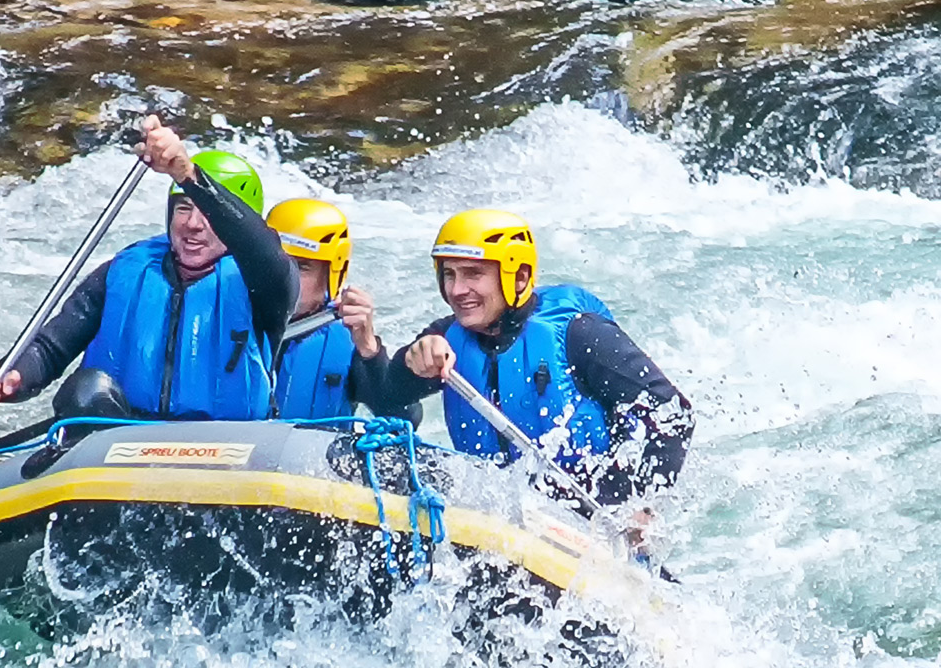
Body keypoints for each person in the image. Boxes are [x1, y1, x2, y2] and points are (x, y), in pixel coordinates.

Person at [0, 115, 298, 420]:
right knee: (86, 389)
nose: (194, 224)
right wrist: (12, 377)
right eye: (183, 208)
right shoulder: (124, 272)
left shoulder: (265, 284)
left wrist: (188, 176)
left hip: (225, 448)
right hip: (121, 444)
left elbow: (262, 249)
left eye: (208, 214)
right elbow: (51, 348)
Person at [380, 209, 694, 522]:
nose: (458, 290)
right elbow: (388, 396)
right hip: (500, 516)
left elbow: (673, 412)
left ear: (518, 277)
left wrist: (644, 508)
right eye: (449, 274)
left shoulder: (580, 333)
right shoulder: (445, 339)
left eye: (473, 274)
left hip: (591, 520)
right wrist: (412, 360)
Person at [266, 198, 420, 424]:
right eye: (276, 263)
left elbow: (405, 418)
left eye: (301, 267)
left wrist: (369, 349)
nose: (283, 279)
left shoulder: (348, 344)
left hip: (306, 458)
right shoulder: (221, 321)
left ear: (332, 275)